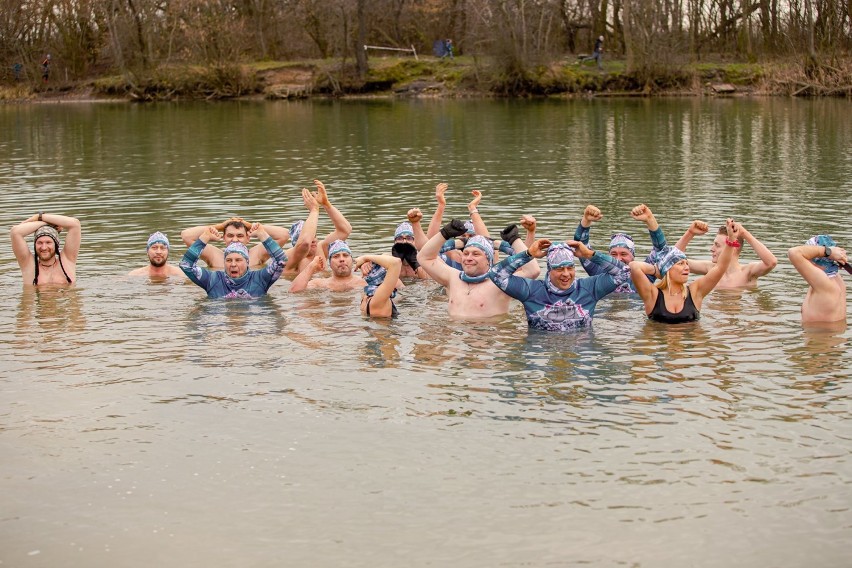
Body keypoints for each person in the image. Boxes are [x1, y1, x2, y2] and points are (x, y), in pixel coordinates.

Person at [487, 238, 631, 331]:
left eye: (570, 268)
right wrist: (528, 253)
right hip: (542, 355)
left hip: (581, 356)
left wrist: (590, 255)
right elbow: (495, 274)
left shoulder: (589, 288)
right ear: (549, 270)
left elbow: (624, 271)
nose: (566, 274)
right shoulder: (532, 290)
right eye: (559, 269)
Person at [417, 219, 536, 318]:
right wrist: (445, 234)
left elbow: (532, 270)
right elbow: (424, 257)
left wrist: (513, 240)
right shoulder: (453, 277)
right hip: (454, 339)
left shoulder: (501, 282)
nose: (468, 258)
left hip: (485, 340)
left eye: (476, 254)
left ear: (488, 260)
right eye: (466, 253)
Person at [629, 219, 740, 324]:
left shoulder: (695, 291)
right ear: (668, 268)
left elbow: (720, 267)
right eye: (680, 264)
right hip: (661, 342)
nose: (686, 267)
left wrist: (731, 240)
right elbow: (634, 266)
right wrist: (656, 270)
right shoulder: (653, 294)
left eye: (686, 263)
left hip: (689, 342)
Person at [573, 203, 667, 293]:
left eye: (624, 254)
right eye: (613, 254)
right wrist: (586, 220)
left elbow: (661, 251)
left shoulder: (644, 274)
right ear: (608, 256)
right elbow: (581, 247)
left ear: (633, 256)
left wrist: (649, 219)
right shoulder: (599, 272)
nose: (618, 258)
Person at [179, 223, 286, 298]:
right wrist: (204, 237)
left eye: (238, 260)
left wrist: (262, 234)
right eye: (229, 260)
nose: (233, 264)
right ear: (224, 262)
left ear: (247, 262)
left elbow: (281, 261)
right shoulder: (213, 279)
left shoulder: (260, 278)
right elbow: (186, 265)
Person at [675, 220, 777, 288]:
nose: (712, 249)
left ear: (733, 248)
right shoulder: (710, 268)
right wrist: (690, 233)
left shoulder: (747, 273)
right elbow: (673, 259)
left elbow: (771, 262)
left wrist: (744, 233)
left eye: (717, 245)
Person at [285, 179, 353, 275]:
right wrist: (314, 210)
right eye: (309, 236)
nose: (312, 240)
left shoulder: (320, 248)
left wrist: (326, 204)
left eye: (314, 235)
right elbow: (304, 243)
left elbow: (345, 231)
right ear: (297, 242)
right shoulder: (288, 259)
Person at [180, 216, 290, 269]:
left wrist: (251, 226)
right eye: (230, 235)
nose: (235, 240)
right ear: (224, 238)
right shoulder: (214, 255)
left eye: (240, 236)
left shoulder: (257, 254)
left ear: (248, 238)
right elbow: (186, 236)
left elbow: (284, 235)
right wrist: (219, 226)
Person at [787, 235, 848, 324]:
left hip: (818, 338)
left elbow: (793, 252)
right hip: (831, 335)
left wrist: (828, 251)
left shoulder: (824, 284)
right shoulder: (838, 281)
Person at [10, 212, 81, 285]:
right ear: (35, 245)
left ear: (56, 244)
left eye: (48, 242)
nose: (44, 247)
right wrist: (46, 223)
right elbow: (15, 232)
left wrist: (39, 216)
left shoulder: (67, 260)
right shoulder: (29, 266)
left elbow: (75, 224)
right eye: (39, 243)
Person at [289, 239, 366, 292]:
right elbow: (294, 291)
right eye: (336, 256)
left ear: (352, 260)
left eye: (345, 255)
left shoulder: (364, 282)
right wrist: (311, 266)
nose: (342, 259)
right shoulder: (320, 284)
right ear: (330, 263)